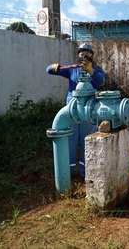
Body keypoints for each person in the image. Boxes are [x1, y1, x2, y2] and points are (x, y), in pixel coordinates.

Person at [46, 43, 105, 179]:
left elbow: (100, 81)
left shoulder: (96, 71)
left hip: (88, 114)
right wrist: (54, 67)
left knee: (87, 143)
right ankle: (70, 172)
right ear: (78, 55)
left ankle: (86, 173)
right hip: (71, 113)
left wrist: (91, 71)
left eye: (87, 52)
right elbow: (48, 70)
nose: (84, 55)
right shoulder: (72, 70)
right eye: (81, 52)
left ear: (92, 56)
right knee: (70, 143)